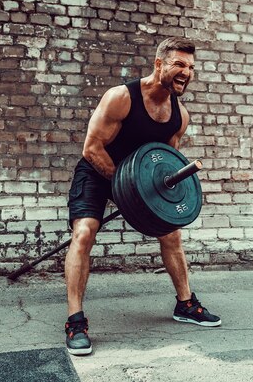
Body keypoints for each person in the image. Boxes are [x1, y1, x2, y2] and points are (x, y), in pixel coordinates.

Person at [64, 37, 221, 356]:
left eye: (191, 67)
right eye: (179, 64)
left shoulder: (180, 116)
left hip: (139, 182)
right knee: (83, 233)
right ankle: (75, 320)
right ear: (159, 63)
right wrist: (127, 189)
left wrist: (151, 198)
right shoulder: (121, 97)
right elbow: (91, 148)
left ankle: (185, 303)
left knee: (171, 234)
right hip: (98, 170)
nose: (186, 72)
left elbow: (166, 159)